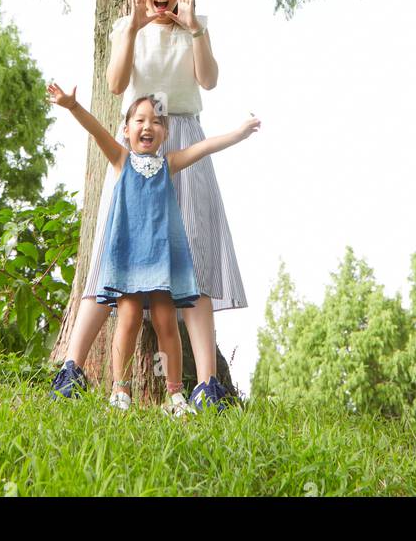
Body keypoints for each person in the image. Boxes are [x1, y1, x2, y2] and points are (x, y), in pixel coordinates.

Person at [50, 0, 249, 410]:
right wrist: (135, 27)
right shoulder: (128, 29)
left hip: (182, 139)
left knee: (192, 256)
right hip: (137, 146)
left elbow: (210, 80)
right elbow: (117, 83)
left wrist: (194, 27)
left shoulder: (195, 27)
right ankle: (72, 369)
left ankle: (205, 385)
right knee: (111, 249)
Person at [47, 81, 259, 414]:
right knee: (127, 321)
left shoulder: (170, 164)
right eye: (140, 120)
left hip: (162, 264)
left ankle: (175, 395)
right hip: (129, 262)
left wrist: (240, 133)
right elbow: (95, 130)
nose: (148, 126)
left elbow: (206, 147)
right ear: (126, 130)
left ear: (165, 133)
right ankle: (120, 391)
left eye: (157, 122)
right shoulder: (120, 160)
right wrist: (72, 106)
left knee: (166, 324)